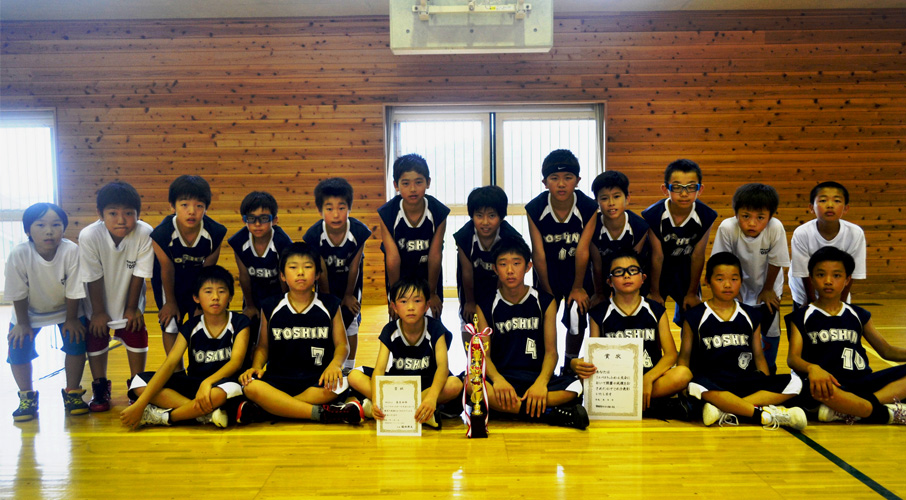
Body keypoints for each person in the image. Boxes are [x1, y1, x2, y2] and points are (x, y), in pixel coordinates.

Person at [678, 252, 807, 430]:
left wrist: (765, 383)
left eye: (734, 279)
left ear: (741, 281)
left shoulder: (751, 314)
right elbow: (684, 357)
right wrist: (682, 389)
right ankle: (761, 413)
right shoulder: (695, 315)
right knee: (695, 384)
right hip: (713, 383)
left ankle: (725, 410)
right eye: (720, 279)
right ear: (707, 281)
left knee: (795, 382)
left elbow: (759, 356)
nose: (727, 284)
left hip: (744, 380)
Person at [237, 242, 363, 424]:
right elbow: (263, 346)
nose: (301, 272)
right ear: (282, 275)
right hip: (279, 380)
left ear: (317, 274)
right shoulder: (270, 305)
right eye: (293, 267)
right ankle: (322, 413)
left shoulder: (330, 304)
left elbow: (342, 345)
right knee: (250, 386)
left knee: (341, 384)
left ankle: (272, 409)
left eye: (308, 267)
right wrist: (256, 366)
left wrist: (335, 365)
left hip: (318, 379)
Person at [471, 236, 589, 429]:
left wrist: (541, 383)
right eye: (503, 264)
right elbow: (484, 355)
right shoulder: (485, 305)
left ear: (528, 267)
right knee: (470, 384)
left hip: (535, 377)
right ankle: (546, 414)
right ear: (495, 269)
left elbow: (551, 352)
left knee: (577, 386)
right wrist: (498, 380)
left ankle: (510, 408)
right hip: (504, 379)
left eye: (516, 263)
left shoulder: (545, 301)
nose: (510, 270)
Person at [786, 247, 906, 425]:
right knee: (808, 390)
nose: (828, 281)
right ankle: (878, 411)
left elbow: (886, 351)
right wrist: (812, 368)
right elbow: (793, 358)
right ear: (811, 278)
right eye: (821, 275)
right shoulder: (801, 316)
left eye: (836, 276)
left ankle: (859, 407)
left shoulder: (858, 314)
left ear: (847, 279)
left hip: (863, 382)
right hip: (830, 385)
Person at [119, 266, 250, 428]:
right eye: (208, 292)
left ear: (230, 296)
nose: (215, 297)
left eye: (221, 291)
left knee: (223, 392)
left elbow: (236, 362)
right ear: (196, 297)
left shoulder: (240, 322)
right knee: (138, 383)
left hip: (224, 383)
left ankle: (165, 417)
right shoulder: (190, 326)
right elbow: (170, 363)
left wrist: (207, 383)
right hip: (195, 385)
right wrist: (140, 403)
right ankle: (203, 414)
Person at [571, 249, 692, 420]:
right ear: (609, 281)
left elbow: (671, 354)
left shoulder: (656, 309)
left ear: (643, 278)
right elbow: (595, 354)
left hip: (650, 377)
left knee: (683, 374)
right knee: (581, 376)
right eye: (619, 272)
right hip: (616, 380)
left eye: (633, 270)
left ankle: (626, 403)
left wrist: (648, 378)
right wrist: (575, 363)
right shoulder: (599, 313)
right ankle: (649, 404)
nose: (626, 275)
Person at [7, 203, 88, 421]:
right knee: (18, 346)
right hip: (28, 312)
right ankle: (27, 397)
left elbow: (74, 289)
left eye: (56, 225)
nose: (49, 231)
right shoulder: (19, 254)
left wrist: (72, 319)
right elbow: (17, 292)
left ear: (64, 228)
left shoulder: (71, 250)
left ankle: (73, 393)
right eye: (41, 225)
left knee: (76, 341)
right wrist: (22, 324)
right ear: (28, 230)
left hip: (67, 309)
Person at [347, 277, 463, 429]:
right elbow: (379, 369)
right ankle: (415, 411)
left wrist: (432, 397)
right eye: (403, 301)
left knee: (455, 384)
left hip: (426, 385)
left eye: (417, 301)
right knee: (353, 375)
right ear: (394, 307)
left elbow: (443, 367)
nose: (410, 307)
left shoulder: (436, 329)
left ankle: (394, 408)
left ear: (427, 305)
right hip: (398, 384)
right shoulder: (390, 330)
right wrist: (376, 399)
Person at [79, 181, 154, 412]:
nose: (121, 220)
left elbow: (139, 274)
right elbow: (93, 276)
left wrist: (132, 308)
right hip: (97, 302)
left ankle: (136, 385)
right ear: (100, 214)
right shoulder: (89, 235)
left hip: (129, 299)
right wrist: (98, 312)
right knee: (96, 338)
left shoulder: (145, 232)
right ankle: (100, 386)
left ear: (138, 214)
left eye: (128, 213)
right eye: (113, 213)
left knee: (136, 334)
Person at [524, 149, 598, 361]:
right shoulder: (535, 208)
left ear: (578, 181)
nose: (562, 184)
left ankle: (569, 362)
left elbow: (583, 250)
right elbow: (538, 254)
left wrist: (577, 287)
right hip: (547, 273)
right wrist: (547, 292)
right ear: (545, 183)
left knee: (577, 314)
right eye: (554, 178)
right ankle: (543, 363)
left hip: (578, 273)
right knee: (543, 317)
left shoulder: (588, 207)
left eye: (568, 177)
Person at [711, 183, 790, 374]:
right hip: (736, 285)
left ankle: (769, 369)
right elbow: (723, 262)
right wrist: (733, 290)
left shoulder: (775, 227)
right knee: (736, 330)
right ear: (736, 214)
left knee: (771, 330)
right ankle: (737, 369)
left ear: (770, 217)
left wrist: (768, 289)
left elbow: (776, 261)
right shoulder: (728, 227)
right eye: (746, 216)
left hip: (768, 285)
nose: (752, 223)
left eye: (760, 218)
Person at [151, 175, 227, 361]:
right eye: (184, 205)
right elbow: (166, 269)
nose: (191, 211)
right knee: (170, 323)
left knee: (200, 322)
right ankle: (175, 368)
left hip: (198, 281)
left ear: (206, 208)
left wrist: (201, 303)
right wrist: (170, 302)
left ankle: (198, 366)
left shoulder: (215, 232)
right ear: (172, 206)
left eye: (199, 206)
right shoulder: (161, 233)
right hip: (170, 283)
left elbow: (208, 271)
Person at [303, 178, 371, 374]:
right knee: (326, 324)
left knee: (351, 325)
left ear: (349, 208)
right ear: (320, 211)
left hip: (350, 286)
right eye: (329, 208)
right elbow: (321, 269)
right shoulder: (314, 235)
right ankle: (327, 364)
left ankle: (349, 368)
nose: (335, 214)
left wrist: (348, 295)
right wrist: (327, 299)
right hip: (326, 287)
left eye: (341, 208)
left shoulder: (358, 231)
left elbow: (355, 266)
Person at [642, 159, 717, 327]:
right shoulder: (653, 214)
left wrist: (692, 293)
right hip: (658, 271)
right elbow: (657, 256)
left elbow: (698, 256)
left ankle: (686, 345)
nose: (684, 193)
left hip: (685, 270)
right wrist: (654, 292)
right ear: (665, 189)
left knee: (691, 316)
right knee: (651, 315)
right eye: (677, 187)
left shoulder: (706, 215)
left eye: (691, 187)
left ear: (700, 189)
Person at [378, 154, 449, 318]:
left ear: (428, 182)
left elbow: (435, 256)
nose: (412, 189)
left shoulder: (438, 212)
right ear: (396, 185)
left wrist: (432, 293)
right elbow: (393, 259)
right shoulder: (387, 213)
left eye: (418, 182)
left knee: (432, 322)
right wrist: (395, 296)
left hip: (428, 279)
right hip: (400, 278)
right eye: (405, 183)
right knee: (399, 323)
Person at [228, 191, 292, 365]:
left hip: (278, 293)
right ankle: (248, 367)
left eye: (263, 218)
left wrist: (285, 303)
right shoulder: (239, 241)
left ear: (274, 220)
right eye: (251, 218)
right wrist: (249, 305)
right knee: (250, 334)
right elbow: (244, 276)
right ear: (244, 220)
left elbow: (285, 277)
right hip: (254, 295)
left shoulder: (282, 242)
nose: (257, 224)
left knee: (278, 333)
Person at [453, 185, 522, 344]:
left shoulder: (509, 237)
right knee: (469, 321)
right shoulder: (464, 236)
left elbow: (506, 273)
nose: (485, 222)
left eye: (491, 215)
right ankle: (473, 358)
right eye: (479, 215)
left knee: (499, 323)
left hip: (501, 286)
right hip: (472, 288)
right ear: (472, 215)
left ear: (501, 217)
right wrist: (470, 302)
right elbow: (466, 272)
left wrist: (497, 299)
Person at [788, 181, 866, 310]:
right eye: (823, 200)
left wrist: (841, 303)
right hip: (805, 293)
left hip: (838, 293)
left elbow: (852, 272)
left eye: (837, 201)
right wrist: (811, 301)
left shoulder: (855, 233)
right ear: (811, 208)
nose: (830, 205)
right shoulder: (802, 233)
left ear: (846, 208)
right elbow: (803, 272)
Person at [587, 170, 649, 308]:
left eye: (616, 196)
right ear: (597, 202)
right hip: (600, 274)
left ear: (627, 198)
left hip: (627, 272)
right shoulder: (592, 226)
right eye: (604, 198)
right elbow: (596, 265)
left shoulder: (640, 226)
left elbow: (633, 263)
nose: (611, 203)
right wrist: (599, 293)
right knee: (594, 301)